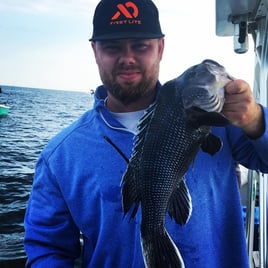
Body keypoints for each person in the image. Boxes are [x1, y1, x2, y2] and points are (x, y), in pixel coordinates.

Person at [24, 0, 268, 267]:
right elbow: (47, 248)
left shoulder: (224, 122)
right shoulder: (60, 155)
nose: (127, 58)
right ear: (95, 51)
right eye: (112, 47)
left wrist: (256, 119)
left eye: (140, 46)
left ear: (160, 48)